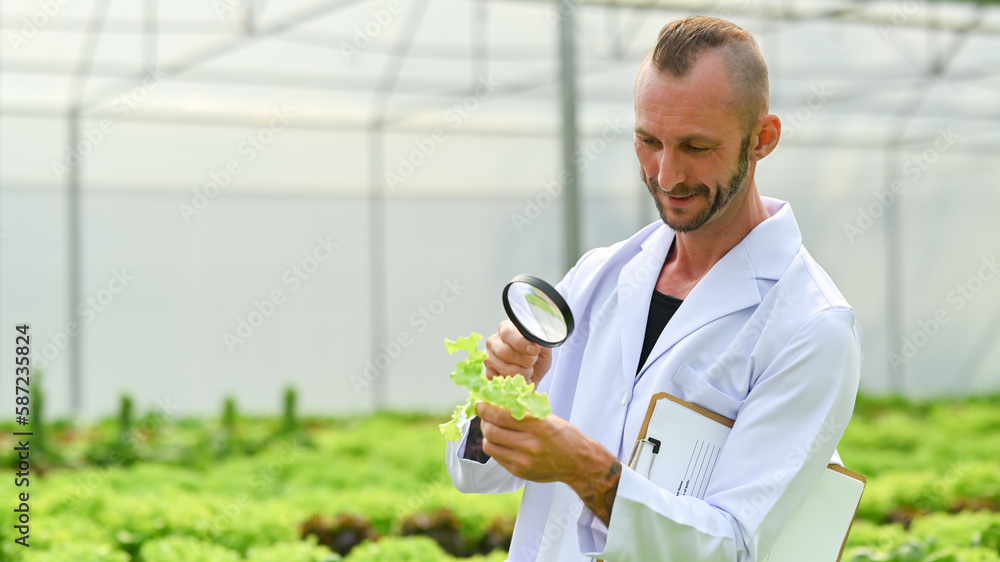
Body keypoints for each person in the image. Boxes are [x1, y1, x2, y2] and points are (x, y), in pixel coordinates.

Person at [446, 15, 863, 562]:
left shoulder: (812, 326)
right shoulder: (600, 277)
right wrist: (502, 395)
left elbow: (732, 546)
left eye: (696, 146)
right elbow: (477, 478)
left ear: (762, 139)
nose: (667, 175)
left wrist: (585, 468)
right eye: (648, 141)